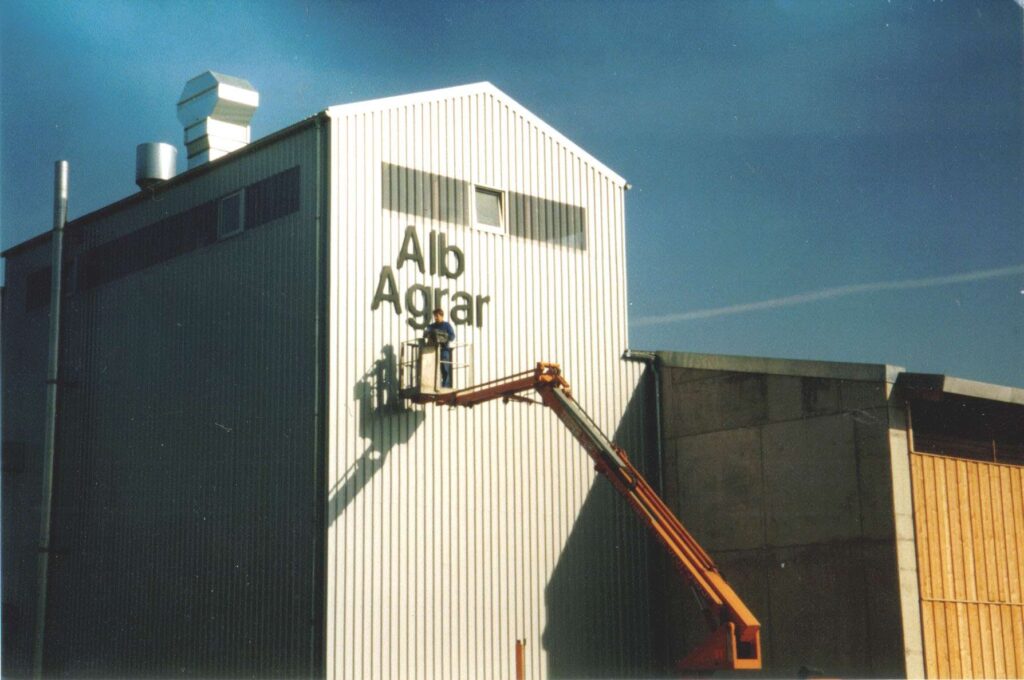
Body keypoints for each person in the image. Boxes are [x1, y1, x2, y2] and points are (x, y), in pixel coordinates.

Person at [424, 308, 456, 388]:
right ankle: (431, 385)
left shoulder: (447, 325)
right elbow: (425, 334)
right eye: (435, 316)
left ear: (442, 316)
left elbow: (452, 336)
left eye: (437, 316)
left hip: (443, 350)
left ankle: (445, 386)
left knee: (445, 369)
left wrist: (444, 338)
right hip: (433, 351)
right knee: (432, 368)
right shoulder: (432, 326)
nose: (435, 318)